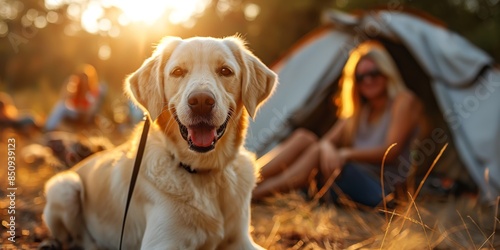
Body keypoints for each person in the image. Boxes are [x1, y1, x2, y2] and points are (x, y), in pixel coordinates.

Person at [252, 41, 425, 208]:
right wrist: (329, 149)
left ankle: (253, 195)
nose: (368, 81)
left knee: (318, 150)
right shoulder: (359, 111)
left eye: (374, 73)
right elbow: (325, 142)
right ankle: (246, 179)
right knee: (304, 137)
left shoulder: (403, 101)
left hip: (379, 188)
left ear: (387, 72)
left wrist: (344, 154)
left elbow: (391, 151)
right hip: (348, 178)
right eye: (360, 77)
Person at [44, 64, 105, 131]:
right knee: (61, 106)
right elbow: (64, 99)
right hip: (74, 111)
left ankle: (47, 128)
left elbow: (90, 110)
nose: (83, 80)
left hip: (81, 114)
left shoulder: (92, 92)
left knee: (62, 107)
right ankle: (48, 127)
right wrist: (69, 85)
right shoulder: (76, 90)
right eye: (82, 77)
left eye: (85, 78)